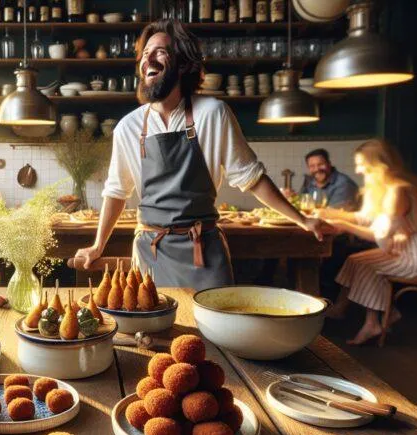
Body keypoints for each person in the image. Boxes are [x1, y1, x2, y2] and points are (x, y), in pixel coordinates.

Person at [73, 19, 326, 287]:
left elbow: (252, 178)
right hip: (151, 254)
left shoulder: (212, 113)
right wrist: (98, 245)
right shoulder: (128, 127)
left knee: (216, 328)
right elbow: (116, 191)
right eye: (145, 54)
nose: (149, 59)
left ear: (182, 65)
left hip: (204, 251)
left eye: (160, 51)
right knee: (153, 327)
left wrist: (302, 220)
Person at [318, 139, 417, 345]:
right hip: (400, 248)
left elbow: (381, 236)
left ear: (379, 164)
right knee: (354, 261)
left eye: (362, 164)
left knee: (367, 267)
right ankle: (344, 309)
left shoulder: (397, 191)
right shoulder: (381, 188)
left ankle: (374, 321)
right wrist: (329, 213)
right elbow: (365, 218)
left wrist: (342, 224)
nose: (358, 170)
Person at [290, 148, 359, 210]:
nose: (317, 169)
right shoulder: (310, 181)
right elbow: (300, 205)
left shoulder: (344, 184)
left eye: (321, 164)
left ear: (329, 164)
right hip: (314, 222)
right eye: (312, 166)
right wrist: (291, 198)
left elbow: (333, 214)